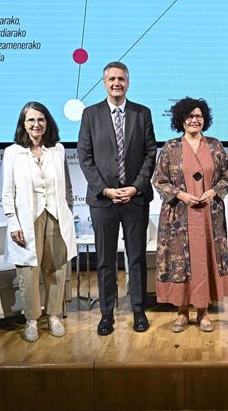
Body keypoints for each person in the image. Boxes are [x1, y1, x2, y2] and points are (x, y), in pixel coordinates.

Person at [78, 61, 157, 335]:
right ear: (104, 82)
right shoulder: (90, 115)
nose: (116, 83)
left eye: (121, 78)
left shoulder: (142, 113)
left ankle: (138, 311)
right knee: (105, 260)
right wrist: (106, 189)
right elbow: (85, 157)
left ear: (128, 81)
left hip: (135, 199)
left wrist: (135, 187)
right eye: (111, 79)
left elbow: (150, 154)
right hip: (103, 201)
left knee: (135, 258)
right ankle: (106, 315)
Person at [152, 97, 228, 333]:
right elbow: (159, 179)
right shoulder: (170, 148)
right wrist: (181, 195)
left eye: (198, 116)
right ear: (181, 120)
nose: (194, 120)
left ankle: (204, 312)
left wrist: (213, 191)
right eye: (189, 116)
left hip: (209, 216)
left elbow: (227, 177)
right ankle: (181, 313)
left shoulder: (215, 146)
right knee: (181, 263)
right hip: (178, 216)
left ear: (205, 119)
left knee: (204, 260)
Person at [2, 102, 77, 342]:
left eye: (41, 119)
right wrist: (13, 223)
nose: (36, 124)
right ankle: (32, 320)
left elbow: (67, 188)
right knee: (29, 273)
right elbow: (6, 192)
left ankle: (53, 316)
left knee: (56, 269)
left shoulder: (58, 150)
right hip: (26, 220)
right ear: (23, 125)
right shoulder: (13, 152)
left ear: (48, 123)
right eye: (31, 120)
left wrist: (67, 213)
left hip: (55, 216)